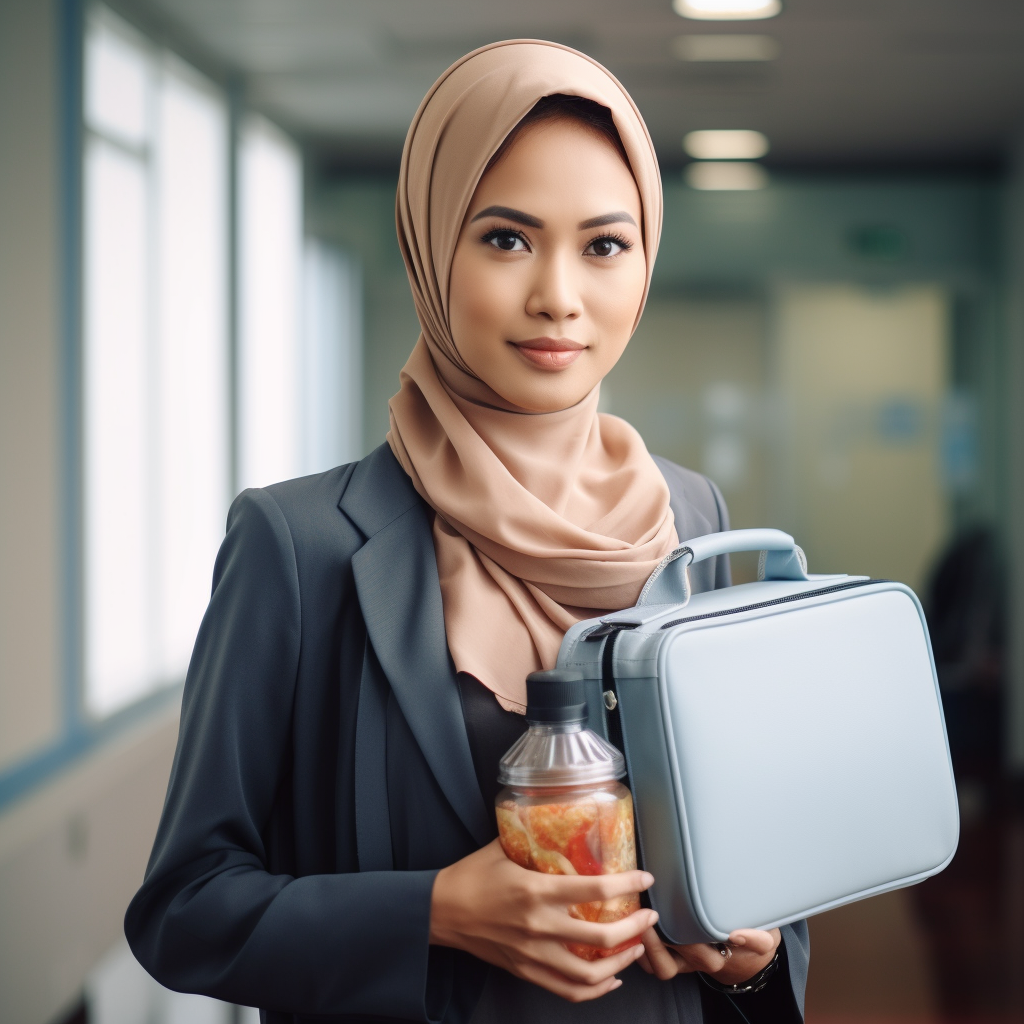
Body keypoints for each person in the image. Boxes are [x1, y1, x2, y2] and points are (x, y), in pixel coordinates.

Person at [125, 40, 808, 1024]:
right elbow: (186, 909)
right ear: (428, 243)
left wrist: (751, 952)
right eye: (505, 238)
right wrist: (435, 910)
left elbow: (747, 850)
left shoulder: (690, 517)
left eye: (604, 245)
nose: (558, 297)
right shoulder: (298, 542)